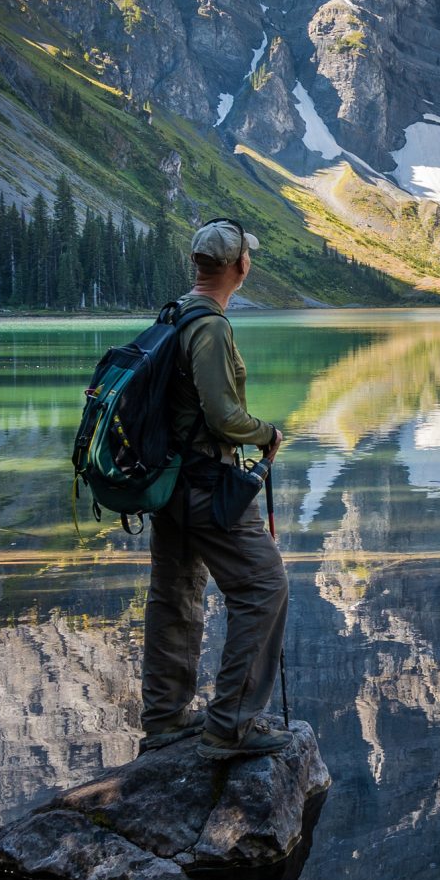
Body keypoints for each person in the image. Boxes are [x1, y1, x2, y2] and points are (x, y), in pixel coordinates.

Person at [141, 218, 290, 756]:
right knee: (263, 586)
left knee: (174, 595)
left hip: (169, 487)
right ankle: (230, 726)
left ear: (197, 264)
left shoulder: (175, 314)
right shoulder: (211, 327)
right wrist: (267, 433)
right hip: (207, 485)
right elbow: (224, 417)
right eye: (246, 258)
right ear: (239, 267)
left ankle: (163, 718)